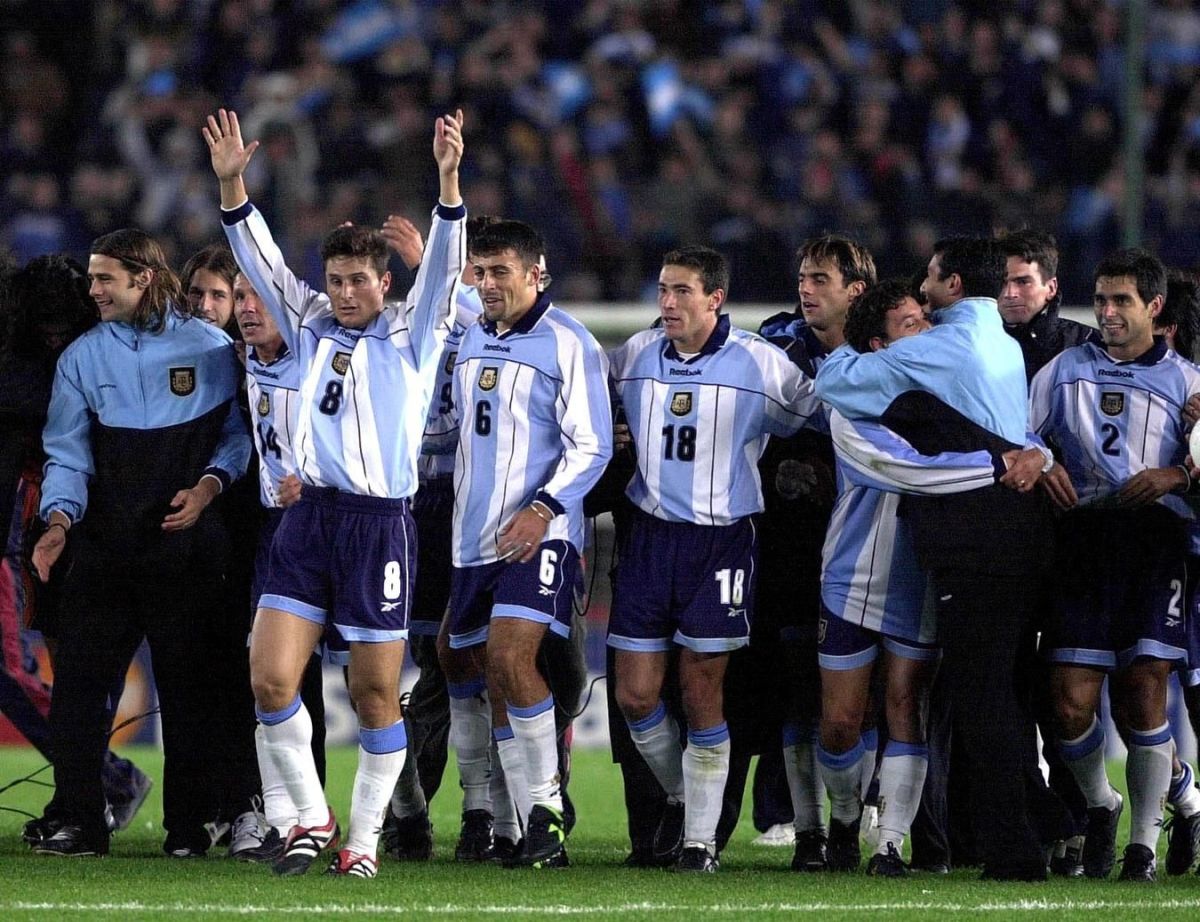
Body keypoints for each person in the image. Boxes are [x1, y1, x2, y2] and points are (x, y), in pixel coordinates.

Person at [208, 105, 466, 879]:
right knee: (268, 677)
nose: (346, 292)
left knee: (375, 694)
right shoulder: (311, 322)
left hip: (379, 526)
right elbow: (258, 261)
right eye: (336, 280)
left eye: (359, 281)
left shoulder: (413, 335)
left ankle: (362, 840)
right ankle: (313, 816)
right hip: (309, 518)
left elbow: (444, 272)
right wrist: (233, 188)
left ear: (385, 283)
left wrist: (449, 182)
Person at [814, 236, 1055, 881]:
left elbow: (834, 381)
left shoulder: (940, 347)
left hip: (976, 539)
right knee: (999, 689)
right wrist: (1036, 455)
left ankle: (1016, 848)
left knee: (980, 695)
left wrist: (858, 348)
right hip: (1012, 534)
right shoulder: (1002, 342)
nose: (922, 293)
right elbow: (1015, 434)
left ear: (953, 285)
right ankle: (1040, 825)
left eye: (929, 279)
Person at [29, 229, 250, 858]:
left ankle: (188, 829)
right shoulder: (82, 358)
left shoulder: (209, 347)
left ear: (143, 278)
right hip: (105, 548)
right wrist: (58, 523)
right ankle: (80, 821)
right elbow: (67, 455)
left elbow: (236, 437)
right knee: (77, 688)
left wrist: (208, 487)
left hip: (185, 547)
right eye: (92, 278)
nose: (93, 290)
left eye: (104, 279)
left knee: (188, 691)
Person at [608, 245, 821, 872]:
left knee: (702, 689)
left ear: (715, 299)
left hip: (722, 541)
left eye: (682, 291)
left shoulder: (758, 361)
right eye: (663, 290)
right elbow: (584, 398)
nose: (668, 303)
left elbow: (818, 412)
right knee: (635, 696)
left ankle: (700, 841)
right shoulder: (635, 355)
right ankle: (685, 798)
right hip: (649, 540)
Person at [439, 218, 611, 870]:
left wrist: (543, 508)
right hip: (471, 539)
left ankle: (546, 813)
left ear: (536, 274)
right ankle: (507, 821)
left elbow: (592, 445)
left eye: (500, 272)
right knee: (471, 665)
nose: (487, 284)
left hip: (540, 535)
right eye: (480, 272)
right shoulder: (472, 335)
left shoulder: (569, 342)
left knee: (511, 659)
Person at [1034, 248, 1200, 883]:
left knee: (1143, 689)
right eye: (1101, 299)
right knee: (1069, 703)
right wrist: (1043, 461)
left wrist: (1177, 474)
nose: (1106, 311)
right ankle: (1103, 804)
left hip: (1156, 544)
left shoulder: (1187, 383)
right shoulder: (1064, 370)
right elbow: (1021, 433)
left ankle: (1142, 851)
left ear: (1154, 307)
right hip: (1084, 541)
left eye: (1121, 300)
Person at [0, 255, 152, 846]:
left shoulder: (54, 366)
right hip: (40, 522)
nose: (56, 340)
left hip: (51, 524)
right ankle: (89, 788)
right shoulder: (72, 355)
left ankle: (99, 783)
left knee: (33, 668)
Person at [756, 234, 875, 870]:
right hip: (793, 545)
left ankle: (871, 816)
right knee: (800, 689)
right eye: (803, 277)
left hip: (871, 544)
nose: (806, 289)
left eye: (820, 279)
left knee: (873, 696)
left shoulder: (888, 346)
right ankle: (805, 828)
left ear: (856, 290)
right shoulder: (775, 343)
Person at [814, 279, 937, 877]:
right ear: (878, 346)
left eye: (925, 320)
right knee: (840, 722)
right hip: (852, 572)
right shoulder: (850, 400)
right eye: (910, 325)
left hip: (919, 572)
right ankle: (844, 816)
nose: (926, 332)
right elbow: (904, 470)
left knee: (905, 705)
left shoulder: (952, 388)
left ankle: (890, 843)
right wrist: (994, 463)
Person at [222, 269, 328, 863]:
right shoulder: (248, 361)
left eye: (259, 296)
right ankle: (286, 819)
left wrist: (316, 479)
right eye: (240, 297)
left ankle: (399, 815)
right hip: (277, 534)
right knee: (266, 674)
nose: (247, 307)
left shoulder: (318, 357)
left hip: (342, 525)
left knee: (370, 682)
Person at [180, 242, 264, 857]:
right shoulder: (182, 359)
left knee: (249, 675)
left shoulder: (266, 357)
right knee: (202, 674)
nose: (207, 306)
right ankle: (210, 807)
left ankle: (257, 806)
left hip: (254, 530)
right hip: (196, 530)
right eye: (198, 293)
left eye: (222, 295)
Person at [998, 229, 1100, 381]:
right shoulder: (975, 345)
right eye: (1001, 282)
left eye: (1023, 282)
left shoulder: (1089, 345)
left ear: (1051, 288)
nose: (1010, 293)